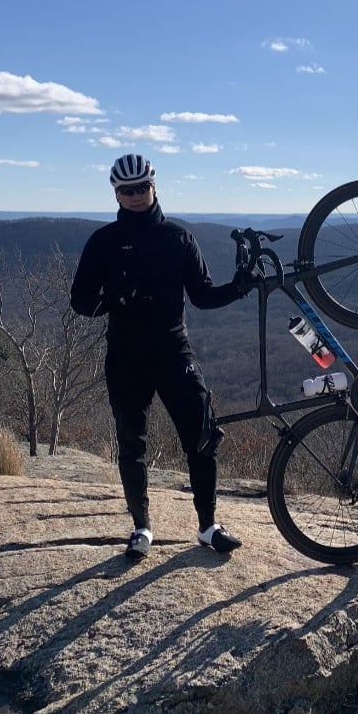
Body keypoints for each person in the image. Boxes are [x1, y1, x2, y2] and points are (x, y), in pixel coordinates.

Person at [70, 153, 251, 561]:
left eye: (141, 188)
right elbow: (80, 300)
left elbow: (202, 296)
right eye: (125, 190)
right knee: (132, 445)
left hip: (173, 350)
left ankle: (208, 527)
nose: (134, 196)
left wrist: (238, 287)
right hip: (126, 355)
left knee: (202, 437)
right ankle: (141, 528)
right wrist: (115, 297)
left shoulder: (178, 237)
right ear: (115, 193)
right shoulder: (104, 241)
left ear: (154, 186)